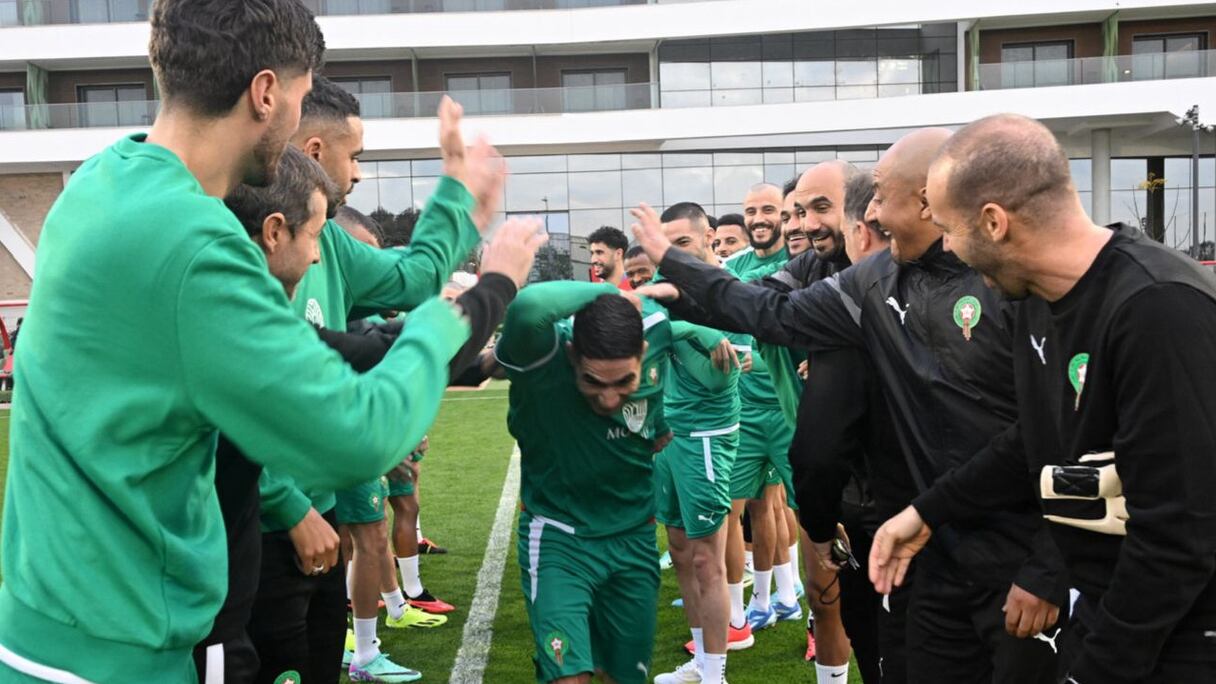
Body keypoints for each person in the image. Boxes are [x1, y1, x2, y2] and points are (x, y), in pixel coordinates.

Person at [0, 1, 489, 680]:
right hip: (112, 657)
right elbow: (357, 436)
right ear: (265, 93)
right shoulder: (197, 247)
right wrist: (450, 319)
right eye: (297, 95)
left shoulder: (100, 179)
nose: (296, 120)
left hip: (44, 632)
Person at [631, 128, 1064, 684]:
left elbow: (1068, 435)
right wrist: (677, 276)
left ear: (932, 200)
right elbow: (769, 310)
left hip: (1011, 554)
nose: (874, 212)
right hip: (915, 541)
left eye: (878, 197)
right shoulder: (871, 283)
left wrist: (1049, 564)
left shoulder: (1025, 282)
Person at [871, 114, 1216, 684]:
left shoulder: (1157, 309)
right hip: (1103, 615)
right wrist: (927, 512)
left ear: (994, 222)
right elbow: (1032, 439)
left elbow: (1180, 537)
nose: (950, 250)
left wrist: (1097, 672)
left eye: (950, 229)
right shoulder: (1039, 303)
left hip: (1180, 641)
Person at [246, 76, 503, 684]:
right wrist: (287, 505)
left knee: (320, 662)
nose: (359, 174)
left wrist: (459, 197)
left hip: (325, 505)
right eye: (355, 156)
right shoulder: (254, 246)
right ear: (313, 153)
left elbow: (414, 278)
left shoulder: (327, 241)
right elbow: (245, 391)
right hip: (265, 523)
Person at [493, 280, 682, 684]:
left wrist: (659, 423)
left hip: (635, 537)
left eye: (623, 382)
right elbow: (529, 304)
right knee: (569, 678)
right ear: (572, 355)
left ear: (643, 355)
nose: (611, 398)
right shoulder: (542, 355)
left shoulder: (657, 332)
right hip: (561, 536)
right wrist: (611, 291)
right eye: (593, 381)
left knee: (625, 677)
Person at [793, 169, 908, 683]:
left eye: (823, 208)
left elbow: (819, 448)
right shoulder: (815, 275)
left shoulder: (855, 296)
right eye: (800, 210)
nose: (809, 223)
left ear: (861, 218)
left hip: (894, 516)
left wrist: (818, 527)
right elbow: (754, 300)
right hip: (901, 511)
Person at [649, 202, 741, 684]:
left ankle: (716, 674)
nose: (673, 255)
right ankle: (700, 663)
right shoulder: (673, 294)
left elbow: (714, 377)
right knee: (681, 549)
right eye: (668, 246)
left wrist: (675, 328)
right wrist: (682, 327)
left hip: (705, 437)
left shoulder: (725, 295)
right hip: (668, 434)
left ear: (709, 239)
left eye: (682, 243)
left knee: (707, 557)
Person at [588, 225, 632, 290]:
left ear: (618, 254)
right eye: (592, 253)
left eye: (599, 252)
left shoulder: (638, 291)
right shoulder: (594, 294)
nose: (593, 260)